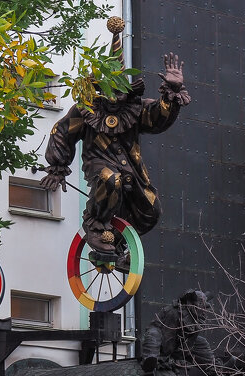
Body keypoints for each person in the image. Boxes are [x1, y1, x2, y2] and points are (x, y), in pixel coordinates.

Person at [42, 18, 189, 256]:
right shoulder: (87, 110)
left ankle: (118, 245)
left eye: (119, 92)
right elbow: (62, 132)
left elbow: (158, 118)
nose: (113, 98)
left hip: (132, 171)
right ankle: (94, 226)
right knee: (111, 180)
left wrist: (171, 93)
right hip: (100, 167)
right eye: (108, 91)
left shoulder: (136, 108)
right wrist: (57, 167)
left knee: (151, 209)